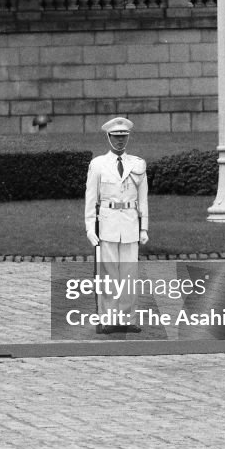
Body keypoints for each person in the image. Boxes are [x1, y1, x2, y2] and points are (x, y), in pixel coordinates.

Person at [84, 117, 149, 334]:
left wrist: (144, 227)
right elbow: (91, 199)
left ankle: (127, 319)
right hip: (108, 225)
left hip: (130, 225)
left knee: (129, 275)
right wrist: (90, 228)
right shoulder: (98, 164)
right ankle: (108, 319)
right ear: (108, 137)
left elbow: (143, 199)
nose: (120, 141)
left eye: (123, 136)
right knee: (109, 275)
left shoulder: (137, 164)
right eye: (115, 136)